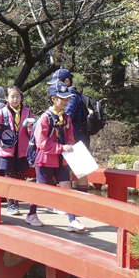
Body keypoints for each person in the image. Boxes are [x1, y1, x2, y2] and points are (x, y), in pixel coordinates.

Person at [28, 82, 84, 230]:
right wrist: (60, 147)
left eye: (67, 99)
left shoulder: (66, 118)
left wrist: (70, 145)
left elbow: (70, 135)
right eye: (62, 99)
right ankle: (31, 214)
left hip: (62, 160)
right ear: (53, 99)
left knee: (67, 188)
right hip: (46, 160)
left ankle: (72, 220)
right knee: (41, 189)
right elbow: (41, 142)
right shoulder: (44, 118)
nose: (66, 102)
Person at [0, 86, 33, 216]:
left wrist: (30, 128)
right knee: (9, 177)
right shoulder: (2, 112)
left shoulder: (27, 112)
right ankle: (10, 204)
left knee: (20, 177)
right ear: (6, 98)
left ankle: (16, 201)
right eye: (12, 96)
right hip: (7, 151)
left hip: (22, 151)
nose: (15, 99)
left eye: (17, 96)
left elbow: (32, 133)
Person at [47, 69, 90, 199]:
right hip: (78, 137)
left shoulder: (71, 96)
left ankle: (80, 200)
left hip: (76, 138)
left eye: (58, 82)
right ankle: (79, 199)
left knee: (80, 171)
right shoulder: (75, 95)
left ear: (67, 81)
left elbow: (67, 117)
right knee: (76, 170)